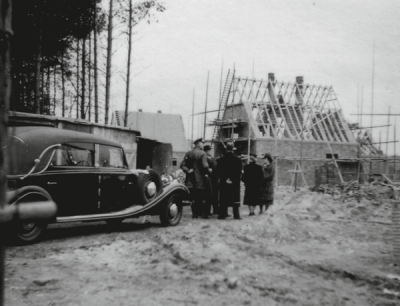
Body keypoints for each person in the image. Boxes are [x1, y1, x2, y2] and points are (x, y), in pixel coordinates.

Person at [180, 138, 209, 218]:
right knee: (201, 197)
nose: (203, 145)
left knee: (192, 197)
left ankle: (194, 214)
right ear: (198, 144)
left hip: (190, 180)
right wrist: (208, 171)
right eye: (202, 143)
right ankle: (202, 214)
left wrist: (188, 170)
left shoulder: (188, 153)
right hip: (200, 180)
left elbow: (182, 165)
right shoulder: (202, 153)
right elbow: (205, 166)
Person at [216, 140, 242, 220]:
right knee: (235, 198)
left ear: (226, 148)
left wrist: (225, 178)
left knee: (223, 197)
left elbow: (218, 172)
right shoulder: (238, 160)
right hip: (234, 182)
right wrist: (232, 179)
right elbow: (239, 172)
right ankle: (236, 215)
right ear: (233, 148)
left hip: (224, 181)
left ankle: (222, 214)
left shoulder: (220, 160)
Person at [204, 144, 219, 216]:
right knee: (208, 196)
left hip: (214, 179)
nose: (211, 151)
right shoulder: (204, 159)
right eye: (210, 150)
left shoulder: (212, 159)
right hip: (208, 179)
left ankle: (216, 210)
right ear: (206, 151)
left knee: (215, 195)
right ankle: (207, 211)